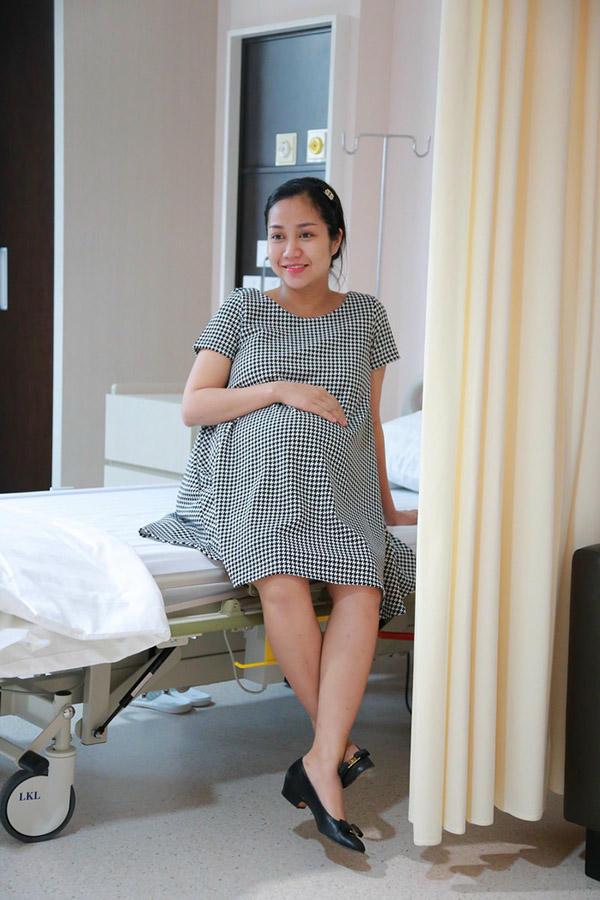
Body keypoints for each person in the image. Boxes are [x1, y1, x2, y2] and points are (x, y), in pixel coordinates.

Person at [139, 177, 417, 853]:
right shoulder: (242, 310)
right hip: (251, 486)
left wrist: (384, 508)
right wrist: (278, 389)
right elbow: (195, 406)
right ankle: (333, 754)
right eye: (277, 235)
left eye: (306, 234)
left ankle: (323, 757)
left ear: (336, 240)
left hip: (341, 490)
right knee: (284, 577)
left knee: (362, 583)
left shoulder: (368, 317)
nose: (289, 250)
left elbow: (369, 424)